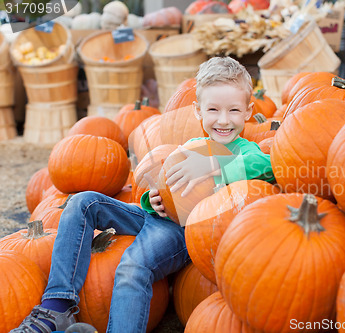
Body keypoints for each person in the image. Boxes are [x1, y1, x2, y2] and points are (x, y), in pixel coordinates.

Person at [12, 56, 275, 333]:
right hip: (158, 218)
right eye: (213, 110)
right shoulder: (192, 144)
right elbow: (165, 187)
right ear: (198, 111)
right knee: (82, 202)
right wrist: (153, 201)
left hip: (186, 231)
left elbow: (267, 167)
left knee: (132, 266)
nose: (223, 120)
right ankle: (56, 307)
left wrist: (214, 165)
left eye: (233, 110)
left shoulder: (246, 151)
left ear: (248, 111)